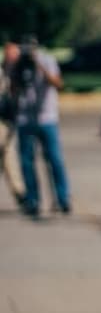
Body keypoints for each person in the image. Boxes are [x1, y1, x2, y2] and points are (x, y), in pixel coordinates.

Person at [4, 36, 71, 218]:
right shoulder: (17, 64)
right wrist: (16, 72)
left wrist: (39, 68)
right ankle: (33, 200)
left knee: (54, 159)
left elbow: (59, 84)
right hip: (25, 119)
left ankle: (63, 198)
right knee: (26, 162)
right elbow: (12, 91)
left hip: (47, 117)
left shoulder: (47, 60)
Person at [1, 40, 27, 208]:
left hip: (9, 122)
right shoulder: (3, 73)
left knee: (8, 157)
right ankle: (19, 192)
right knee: (7, 154)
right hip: (2, 120)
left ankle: (19, 192)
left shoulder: (21, 73)